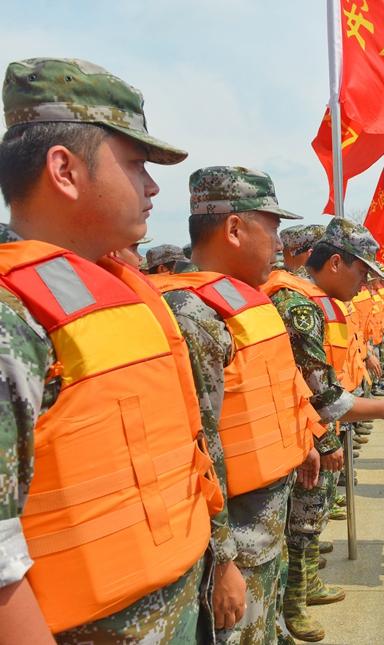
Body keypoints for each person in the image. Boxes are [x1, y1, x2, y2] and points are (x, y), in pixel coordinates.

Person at [0, 57, 222, 644]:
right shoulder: (12, 317)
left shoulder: (120, 289)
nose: (151, 187)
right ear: (64, 170)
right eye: (135, 165)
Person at [152, 166, 326, 644]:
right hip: (235, 544)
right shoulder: (193, 314)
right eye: (269, 227)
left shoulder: (245, 300)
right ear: (233, 228)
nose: (277, 242)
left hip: (266, 528)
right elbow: (198, 448)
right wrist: (223, 559)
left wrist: (301, 441)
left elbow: (268, 390)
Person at [262, 217, 384, 642]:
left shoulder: (313, 302)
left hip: (307, 429)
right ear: (334, 263)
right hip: (299, 435)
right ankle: (291, 607)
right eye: (361, 271)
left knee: (307, 523)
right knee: (299, 526)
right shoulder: (298, 307)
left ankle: (300, 593)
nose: (365, 282)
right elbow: (322, 396)